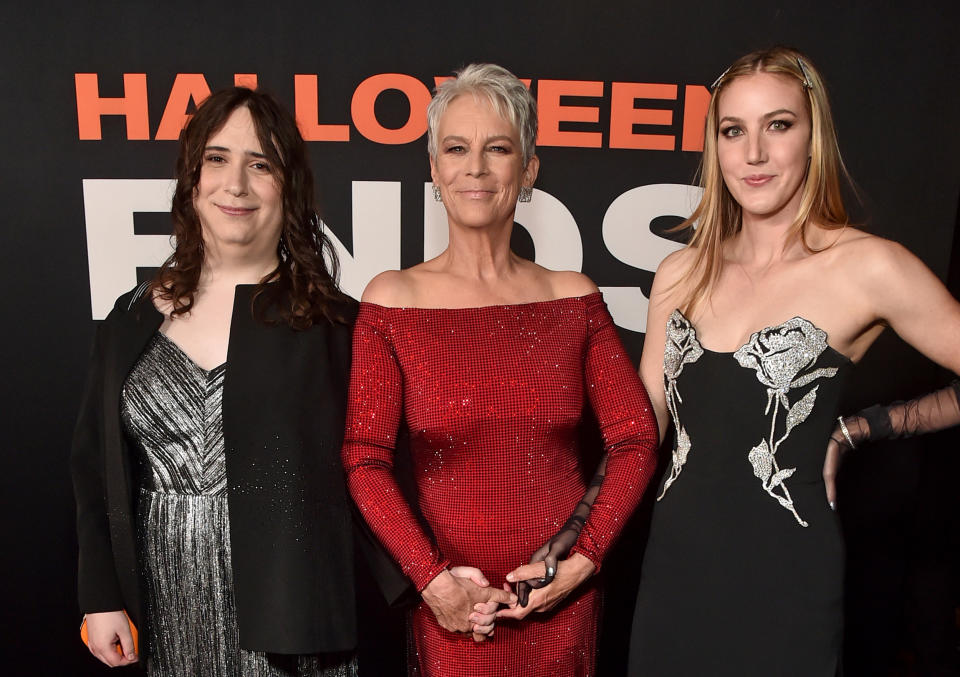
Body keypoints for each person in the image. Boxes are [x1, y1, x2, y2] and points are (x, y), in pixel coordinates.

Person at [627, 46, 960, 676]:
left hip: (785, 579)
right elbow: (641, 436)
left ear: (814, 138)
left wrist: (862, 428)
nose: (754, 153)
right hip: (673, 576)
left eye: (778, 125)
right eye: (734, 131)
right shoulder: (681, 272)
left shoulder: (868, 267)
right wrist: (573, 542)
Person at [70, 87, 412, 676]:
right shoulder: (129, 319)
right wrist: (99, 596)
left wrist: (428, 582)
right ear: (192, 178)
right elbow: (95, 470)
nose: (237, 184)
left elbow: (376, 472)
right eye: (218, 159)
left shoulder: (340, 327)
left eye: (261, 164)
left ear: (290, 186)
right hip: (161, 607)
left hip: (294, 619)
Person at [341, 63, 660, 677]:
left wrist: (583, 562)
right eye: (456, 149)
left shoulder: (573, 298)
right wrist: (432, 583)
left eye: (499, 149)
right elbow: (363, 457)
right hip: (453, 603)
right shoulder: (393, 300)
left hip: (558, 601)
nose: (476, 168)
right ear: (434, 170)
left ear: (529, 168)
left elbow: (635, 437)